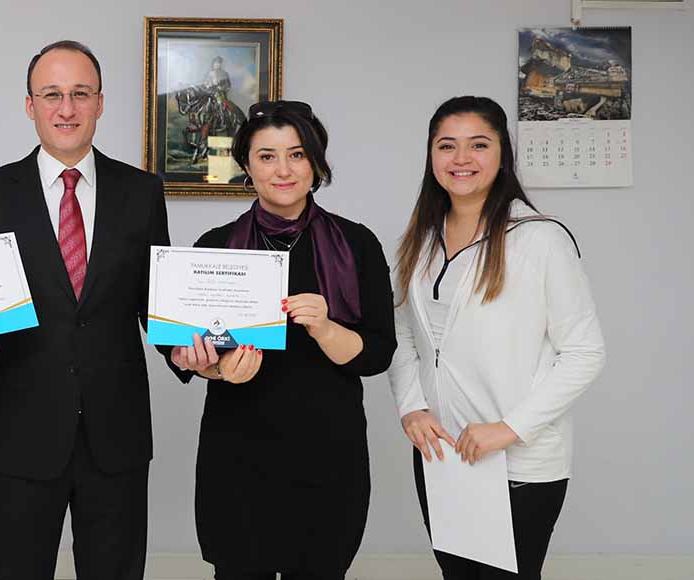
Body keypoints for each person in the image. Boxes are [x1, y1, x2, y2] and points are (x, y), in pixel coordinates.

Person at [0, 40, 170, 580]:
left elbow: (158, 307)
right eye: (52, 94)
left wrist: (196, 352)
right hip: (21, 435)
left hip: (116, 436)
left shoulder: (142, 192)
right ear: (31, 105)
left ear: (100, 102)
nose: (66, 108)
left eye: (80, 94)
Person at [171, 100, 397, 579]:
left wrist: (326, 328)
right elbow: (184, 350)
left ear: (316, 162)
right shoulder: (215, 246)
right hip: (238, 455)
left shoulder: (357, 244)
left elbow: (378, 353)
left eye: (297, 155)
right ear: (246, 165)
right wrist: (214, 369)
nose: (283, 170)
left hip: (327, 454)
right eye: (267, 156)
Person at [387, 95, 606, 579]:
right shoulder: (421, 239)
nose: (461, 158)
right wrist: (411, 406)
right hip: (443, 453)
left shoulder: (540, 238)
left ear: (502, 153)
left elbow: (584, 352)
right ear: (431, 156)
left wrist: (508, 429)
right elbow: (402, 331)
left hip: (516, 461)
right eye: (447, 145)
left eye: (479, 145)